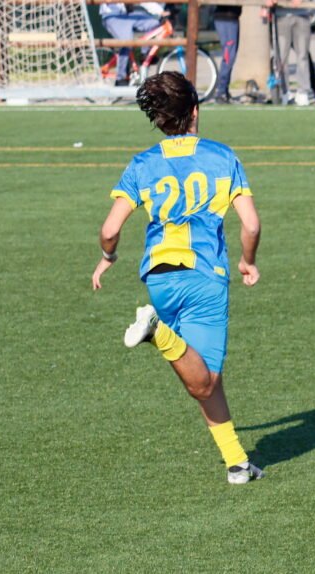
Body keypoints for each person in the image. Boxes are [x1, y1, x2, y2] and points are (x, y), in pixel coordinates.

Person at [91, 72, 265, 483]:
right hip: (203, 277)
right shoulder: (222, 156)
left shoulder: (143, 163)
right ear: (195, 112)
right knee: (204, 380)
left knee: (201, 374)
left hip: (160, 278)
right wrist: (248, 261)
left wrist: (107, 256)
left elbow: (110, 230)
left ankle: (237, 463)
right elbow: (251, 224)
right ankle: (157, 333)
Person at [100, 1, 165, 86]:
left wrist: (160, 11)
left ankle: (145, 54)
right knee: (127, 42)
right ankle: (121, 78)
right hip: (112, 16)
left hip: (128, 14)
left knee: (154, 23)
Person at [267, 0, 313, 106]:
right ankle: (284, 92)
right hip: (282, 16)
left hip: (302, 15)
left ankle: (303, 92)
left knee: (303, 55)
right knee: (282, 58)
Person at [212, 5, 242, 103]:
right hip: (225, 18)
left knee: (231, 56)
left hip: (233, 17)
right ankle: (221, 91)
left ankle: (224, 90)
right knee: (229, 57)